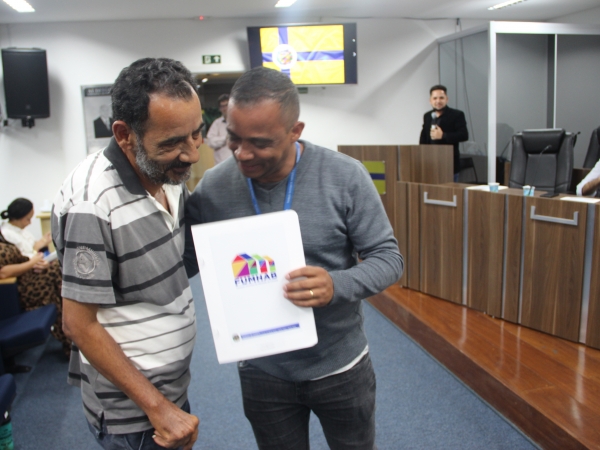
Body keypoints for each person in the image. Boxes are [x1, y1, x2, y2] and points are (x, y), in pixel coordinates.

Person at [184, 67, 404, 450]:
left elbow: (388, 258)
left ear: (295, 131)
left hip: (339, 365)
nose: (242, 153)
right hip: (262, 370)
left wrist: (336, 283)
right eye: (234, 138)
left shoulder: (345, 176)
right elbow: (187, 262)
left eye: (260, 143)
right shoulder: (214, 187)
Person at [52, 57, 202, 450]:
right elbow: (78, 325)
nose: (191, 154)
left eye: (196, 134)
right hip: (136, 414)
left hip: (169, 391)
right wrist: (158, 408)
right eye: (172, 142)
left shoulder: (166, 174)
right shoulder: (92, 203)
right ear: (124, 135)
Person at [0, 230, 71, 361]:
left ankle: (73, 337)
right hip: (20, 287)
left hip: (27, 276)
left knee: (58, 271)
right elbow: (3, 273)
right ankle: (71, 339)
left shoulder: (3, 237)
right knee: (56, 276)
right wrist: (33, 262)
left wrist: (36, 260)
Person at [419, 85, 468, 180]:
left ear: (447, 99)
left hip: (449, 163)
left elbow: (464, 135)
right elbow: (424, 137)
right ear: (430, 101)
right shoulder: (427, 116)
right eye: (435, 98)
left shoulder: (457, 115)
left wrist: (443, 135)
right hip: (430, 163)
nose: (438, 101)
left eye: (441, 98)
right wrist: (421, 154)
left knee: (450, 189)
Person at [205, 93, 232, 165]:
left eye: (226, 105)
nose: (225, 108)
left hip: (237, 165)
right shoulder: (216, 123)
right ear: (220, 109)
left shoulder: (239, 122)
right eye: (222, 106)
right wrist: (225, 138)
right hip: (220, 165)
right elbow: (210, 141)